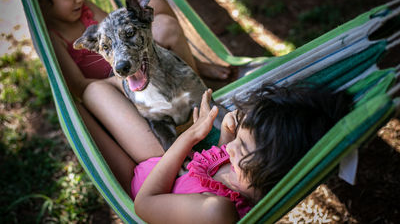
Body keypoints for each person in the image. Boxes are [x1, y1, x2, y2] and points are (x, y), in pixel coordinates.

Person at [25, 0, 232, 189]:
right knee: (93, 90)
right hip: (111, 90)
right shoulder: (51, 38)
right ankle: (176, 135)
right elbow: (79, 87)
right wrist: (120, 81)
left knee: (159, 9)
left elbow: (119, 29)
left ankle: (195, 87)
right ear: (43, 2)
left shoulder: (85, 10)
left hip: (140, 67)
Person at [93, 83, 351, 222]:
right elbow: (211, 171)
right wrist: (229, 133)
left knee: (86, 104)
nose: (231, 147)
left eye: (243, 146)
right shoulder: (246, 174)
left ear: (275, 167)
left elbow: (144, 205)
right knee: (95, 91)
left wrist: (192, 134)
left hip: (132, 188)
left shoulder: (217, 212)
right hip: (156, 161)